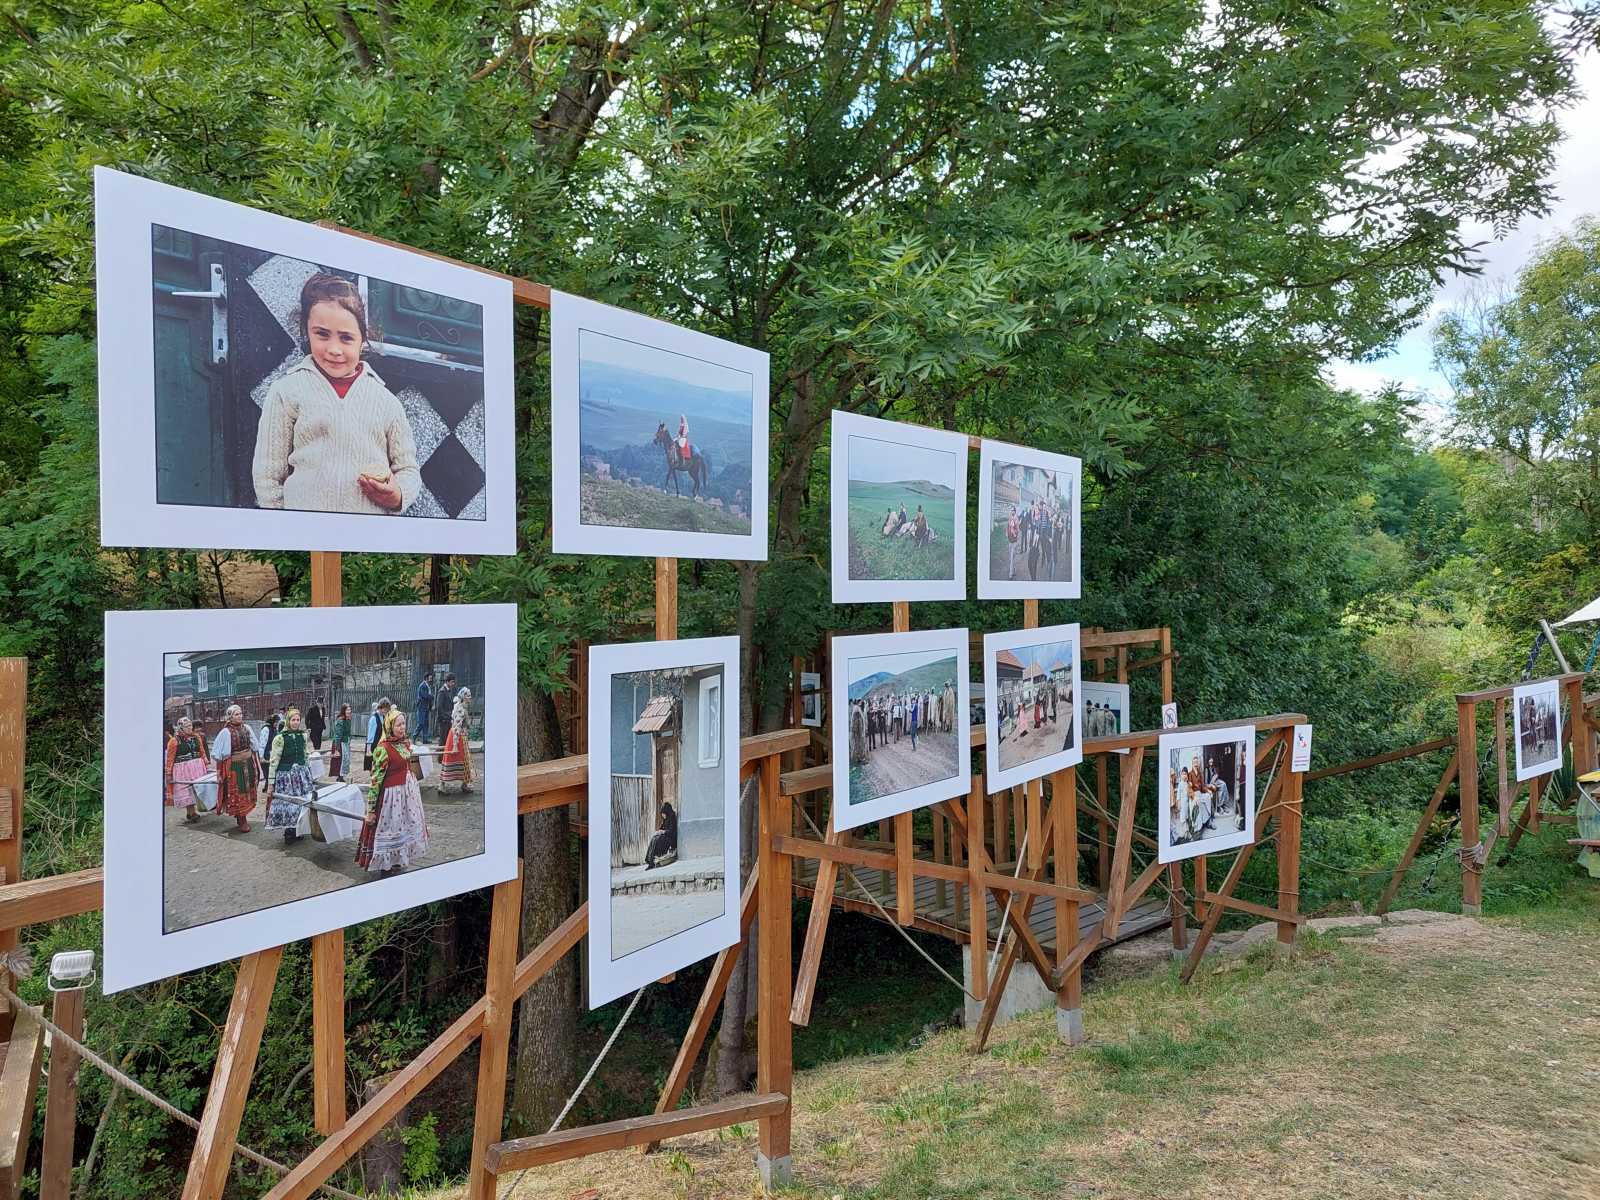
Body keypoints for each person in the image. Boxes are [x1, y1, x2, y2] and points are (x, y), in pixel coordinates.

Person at [252, 272, 421, 516]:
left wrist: (397, 496)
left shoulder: (386, 402)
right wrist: (284, 526)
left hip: (365, 545)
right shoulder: (286, 392)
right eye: (322, 334)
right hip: (305, 539)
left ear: (363, 339)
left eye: (346, 338)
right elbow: (268, 474)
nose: (334, 349)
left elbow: (408, 470)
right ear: (306, 330)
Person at [357, 708, 428, 874]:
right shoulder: (383, 749)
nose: (402, 728)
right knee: (390, 828)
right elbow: (375, 781)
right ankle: (385, 865)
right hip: (390, 798)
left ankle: (397, 860)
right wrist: (371, 810)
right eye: (398, 725)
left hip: (405, 797)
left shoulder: (403, 744)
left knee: (402, 827)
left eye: (403, 724)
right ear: (389, 726)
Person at [265, 708, 315, 844]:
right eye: (293, 720)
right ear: (288, 721)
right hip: (286, 777)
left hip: (300, 775)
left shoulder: (303, 736)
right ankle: (289, 831)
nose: (296, 722)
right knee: (288, 803)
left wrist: (309, 772)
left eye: (298, 720)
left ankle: (298, 828)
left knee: (301, 802)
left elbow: (305, 755)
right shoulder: (280, 738)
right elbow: (273, 762)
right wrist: (271, 784)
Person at [210, 704, 261, 832]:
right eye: (236, 714)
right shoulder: (225, 732)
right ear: (230, 717)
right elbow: (218, 754)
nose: (240, 716)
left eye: (240, 714)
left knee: (248, 790)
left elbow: (255, 745)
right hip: (234, 767)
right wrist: (220, 772)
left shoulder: (247, 728)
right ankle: (242, 818)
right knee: (238, 792)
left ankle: (241, 816)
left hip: (248, 763)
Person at [165, 716, 210, 823]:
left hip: (197, 766)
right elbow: (170, 758)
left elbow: (202, 751)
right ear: (181, 727)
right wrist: (169, 773)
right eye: (187, 726)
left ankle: (194, 810)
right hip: (182, 769)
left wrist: (206, 763)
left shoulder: (196, 737)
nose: (190, 728)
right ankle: (191, 812)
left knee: (196, 788)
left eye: (190, 725)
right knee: (186, 789)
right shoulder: (174, 741)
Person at [440, 687, 476, 793]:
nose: (470, 698)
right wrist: (455, 744)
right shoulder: (460, 709)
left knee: (464, 760)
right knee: (451, 758)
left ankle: (464, 783)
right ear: (464, 697)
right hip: (457, 737)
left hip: (461, 737)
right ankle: (441, 785)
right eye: (468, 696)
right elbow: (457, 726)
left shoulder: (462, 707)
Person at [645, 800, 678, 869]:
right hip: (665, 836)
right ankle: (649, 860)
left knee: (657, 840)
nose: (662, 815)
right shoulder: (665, 819)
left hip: (670, 838)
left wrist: (663, 832)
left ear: (666, 812)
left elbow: (672, 831)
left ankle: (652, 862)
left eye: (663, 813)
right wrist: (659, 831)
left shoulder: (672, 817)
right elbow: (661, 828)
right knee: (654, 838)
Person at [365, 698, 391, 773]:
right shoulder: (373, 718)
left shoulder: (383, 717)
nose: (386, 711)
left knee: (380, 766)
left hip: (380, 745)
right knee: (374, 767)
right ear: (381, 707)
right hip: (374, 745)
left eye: (387, 710)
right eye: (385, 709)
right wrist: (368, 749)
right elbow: (370, 735)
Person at [329, 702, 353, 781]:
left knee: (345, 760)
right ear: (343, 711)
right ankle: (339, 778)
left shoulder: (348, 719)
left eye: (350, 709)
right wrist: (336, 748)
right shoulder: (341, 721)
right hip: (340, 743)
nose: (349, 711)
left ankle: (341, 777)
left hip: (345, 743)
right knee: (340, 761)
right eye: (347, 710)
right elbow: (338, 735)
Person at [414, 672, 434, 743]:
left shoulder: (428, 686)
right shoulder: (422, 686)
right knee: (421, 723)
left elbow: (428, 697)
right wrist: (431, 696)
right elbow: (424, 695)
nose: (431, 679)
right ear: (426, 678)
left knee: (426, 724)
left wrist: (430, 706)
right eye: (430, 678)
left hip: (426, 707)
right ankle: (414, 736)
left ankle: (425, 739)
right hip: (421, 707)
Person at [1006, 505, 1020, 578]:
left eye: (1013, 510)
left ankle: (1010, 574)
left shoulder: (1016, 519)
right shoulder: (1009, 518)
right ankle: (1013, 570)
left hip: (1014, 541)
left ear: (1015, 511)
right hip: (1009, 540)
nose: (1012, 511)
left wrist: (1014, 532)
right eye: (1011, 510)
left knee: (1011, 557)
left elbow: (1018, 530)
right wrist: (1006, 532)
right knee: (1010, 557)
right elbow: (1007, 526)